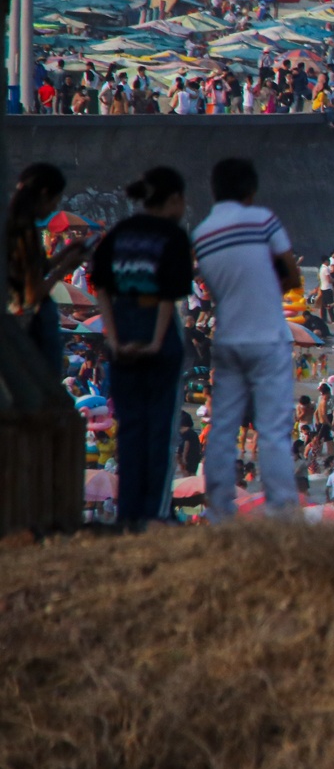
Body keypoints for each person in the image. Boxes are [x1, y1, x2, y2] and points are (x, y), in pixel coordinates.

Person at [194, 158, 301, 520]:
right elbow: (290, 273)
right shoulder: (263, 220)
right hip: (268, 337)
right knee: (271, 428)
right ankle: (282, 510)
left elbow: (212, 286)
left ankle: (219, 511)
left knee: (224, 426)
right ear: (251, 191)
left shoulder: (203, 233)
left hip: (227, 338)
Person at [92, 167, 194, 530]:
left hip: (121, 330)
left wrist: (115, 337)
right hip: (158, 334)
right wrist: (154, 341)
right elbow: (168, 294)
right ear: (172, 200)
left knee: (130, 429)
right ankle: (155, 514)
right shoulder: (173, 237)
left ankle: (129, 516)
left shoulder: (118, 234)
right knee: (160, 431)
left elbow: (100, 285)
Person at [8, 162, 90, 375]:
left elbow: (35, 269)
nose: (54, 208)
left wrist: (63, 255)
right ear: (44, 194)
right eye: (55, 200)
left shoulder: (14, 225)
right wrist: (65, 269)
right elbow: (33, 293)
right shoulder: (25, 231)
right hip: (36, 323)